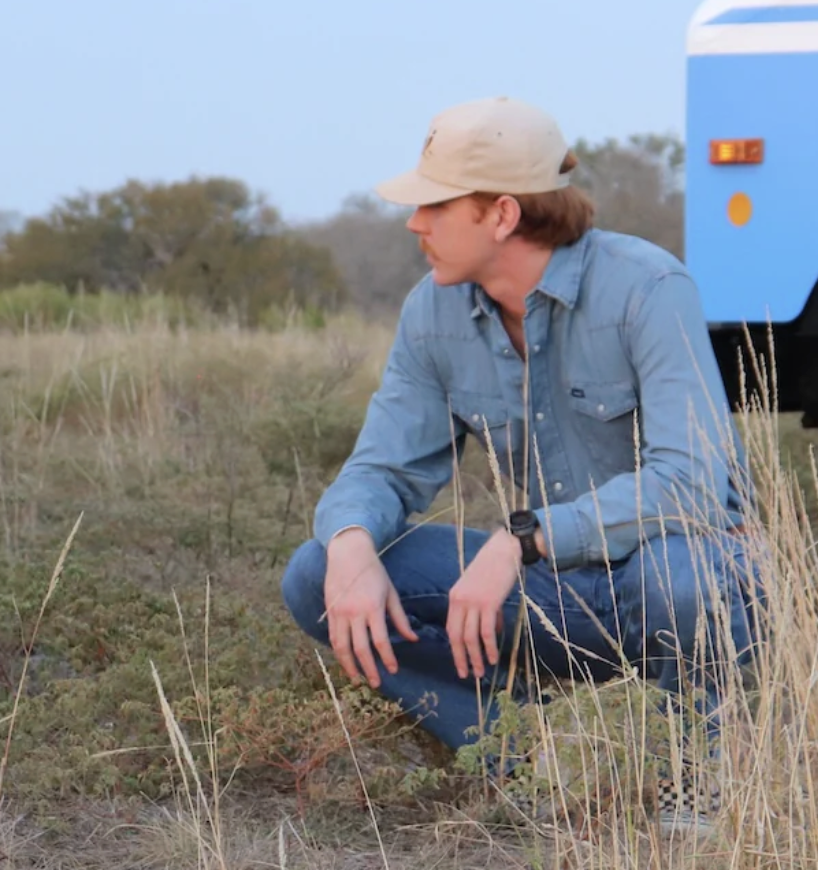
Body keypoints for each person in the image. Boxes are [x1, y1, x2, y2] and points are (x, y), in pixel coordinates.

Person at [280, 96, 763, 831]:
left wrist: (524, 540)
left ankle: (690, 783)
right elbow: (381, 470)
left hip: (694, 588)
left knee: (680, 573)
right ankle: (518, 761)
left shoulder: (648, 288)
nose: (416, 225)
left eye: (437, 207)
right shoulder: (433, 312)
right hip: (559, 600)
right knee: (315, 574)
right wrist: (349, 542)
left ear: (501, 215)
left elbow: (694, 485)